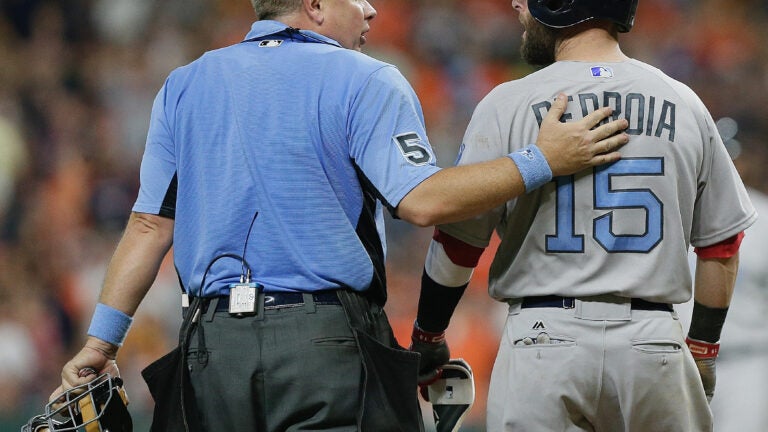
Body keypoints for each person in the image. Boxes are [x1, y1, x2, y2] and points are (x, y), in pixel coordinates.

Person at [48, 0, 629, 431]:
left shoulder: (185, 83)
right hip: (323, 345)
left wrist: (101, 343)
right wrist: (540, 160)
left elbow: (149, 226)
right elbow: (422, 201)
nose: (372, 11)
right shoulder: (365, 76)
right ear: (317, 6)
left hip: (211, 348)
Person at [409, 0, 758, 431]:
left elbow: (459, 242)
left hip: (543, 339)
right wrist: (702, 350)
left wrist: (429, 333)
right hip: (653, 343)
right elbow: (722, 244)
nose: (517, 4)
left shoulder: (508, 102)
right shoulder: (685, 102)